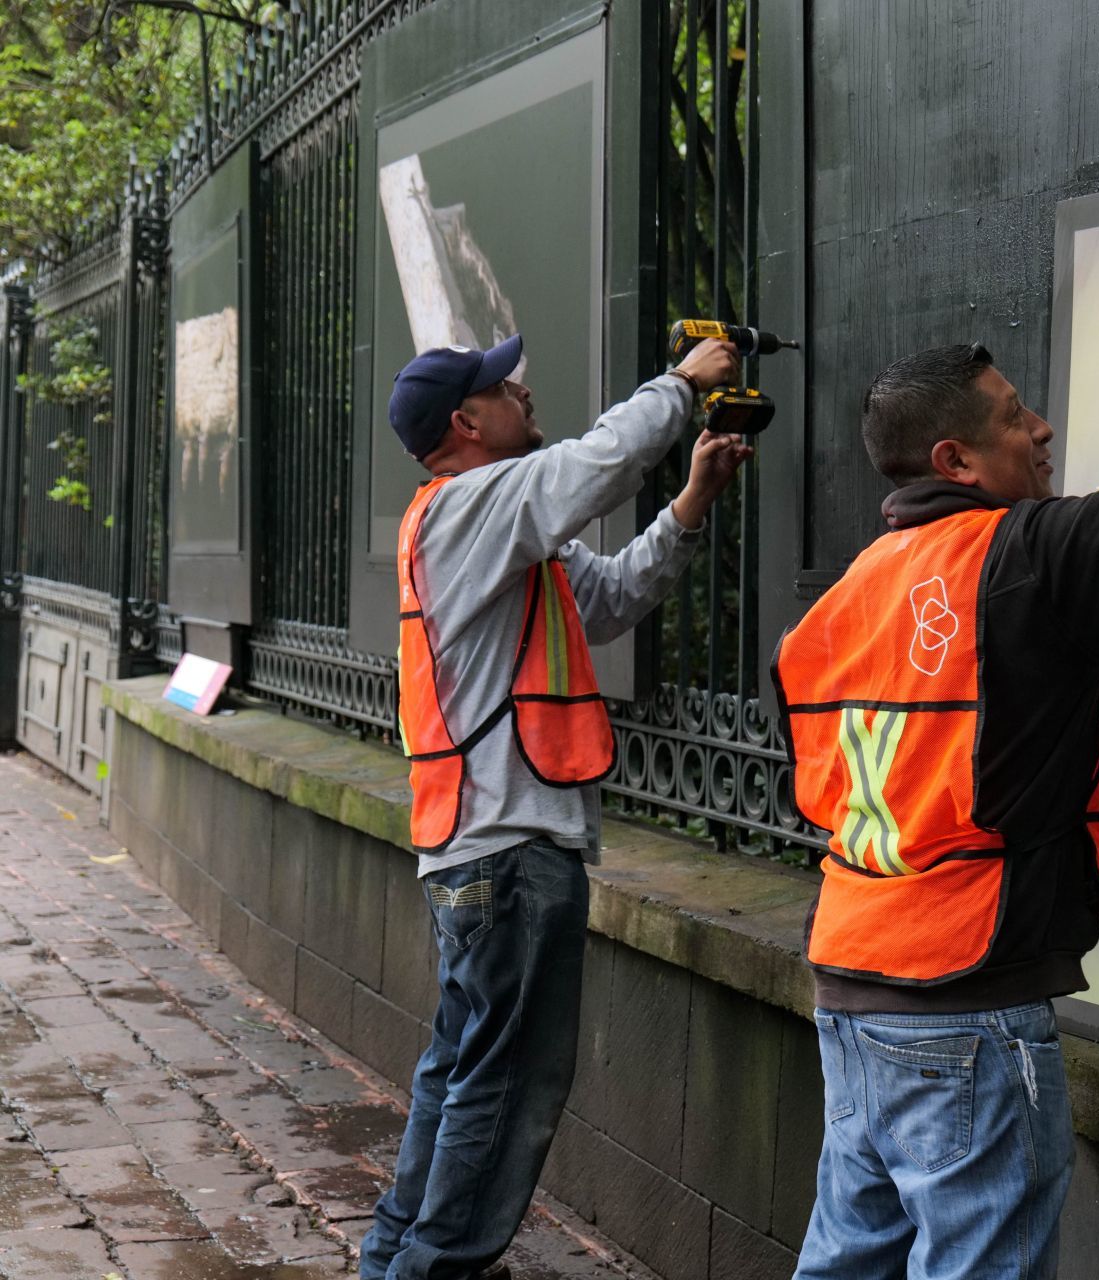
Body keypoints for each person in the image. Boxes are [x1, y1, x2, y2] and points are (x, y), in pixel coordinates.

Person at [775, 256, 1099, 1279]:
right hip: (964, 995)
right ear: (958, 458)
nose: (1042, 427)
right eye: (1015, 417)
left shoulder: (846, 597)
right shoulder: (1027, 558)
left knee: (847, 1261)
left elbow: (821, 787)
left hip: (851, 982)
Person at [359, 333, 749, 1280]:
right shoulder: (470, 504)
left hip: (479, 847)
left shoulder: (487, 526)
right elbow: (596, 465)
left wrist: (690, 503)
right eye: (505, 386)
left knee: (461, 1074)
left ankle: (391, 1260)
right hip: (509, 852)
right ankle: (434, 1269)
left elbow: (607, 600)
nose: (523, 392)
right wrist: (680, 385)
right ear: (467, 422)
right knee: (507, 1084)